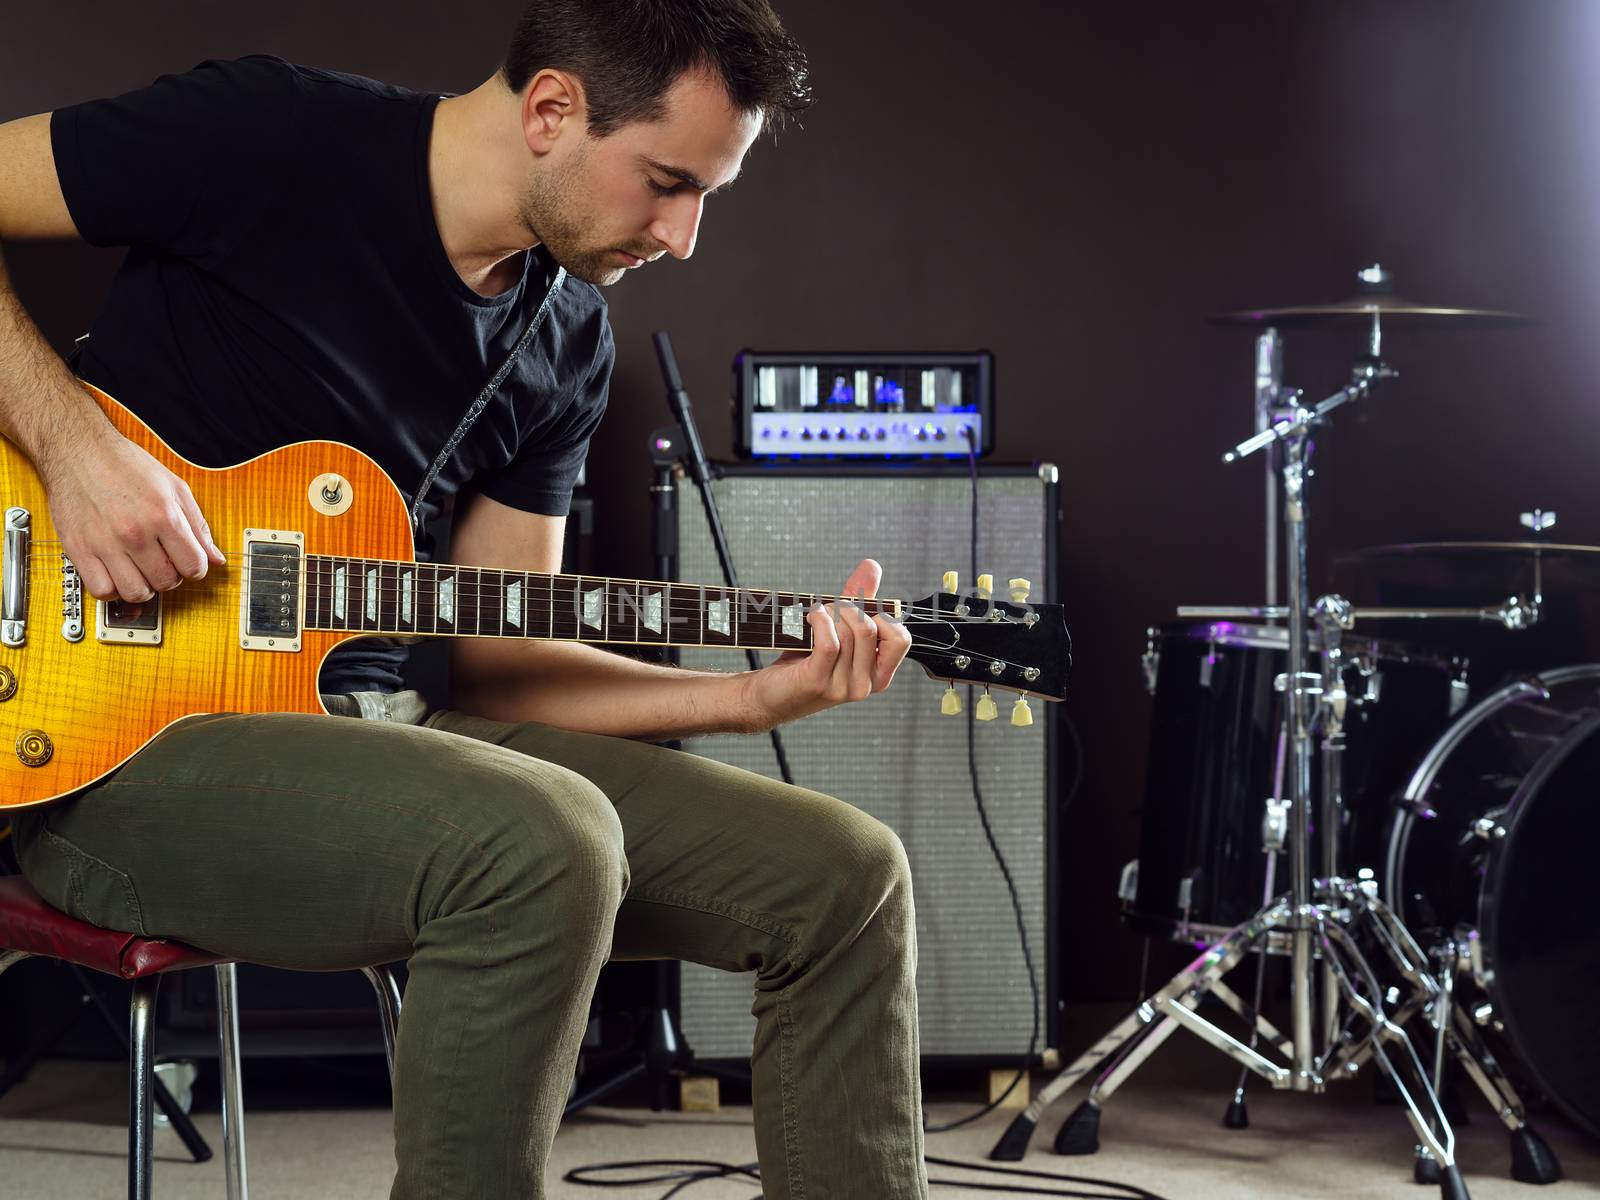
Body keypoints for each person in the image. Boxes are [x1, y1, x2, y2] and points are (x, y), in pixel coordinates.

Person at [0, 3, 930, 1197]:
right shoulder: (268, 135)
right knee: (540, 842)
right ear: (551, 110)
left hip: (389, 744)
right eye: (664, 182)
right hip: (117, 750)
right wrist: (73, 449)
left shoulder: (565, 342)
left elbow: (503, 665)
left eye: (706, 194)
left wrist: (746, 697)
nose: (684, 235)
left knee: (846, 877)